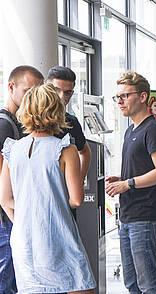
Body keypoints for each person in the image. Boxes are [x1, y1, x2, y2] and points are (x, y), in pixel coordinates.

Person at [0, 83, 95, 293]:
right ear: (57, 111)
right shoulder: (65, 148)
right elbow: (76, 199)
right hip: (58, 234)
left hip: (24, 238)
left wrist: (28, 214)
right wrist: (52, 202)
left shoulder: (12, 149)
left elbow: (5, 199)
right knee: (81, 285)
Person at [105, 71, 156, 294]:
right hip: (128, 215)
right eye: (118, 97)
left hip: (146, 216)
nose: (120, 101)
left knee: (148, 284)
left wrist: (128, 184)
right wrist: (122, 180)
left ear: (143, 97)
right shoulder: (130, 130)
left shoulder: (153, 129)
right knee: (132, 283)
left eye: (125, 96)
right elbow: (144, 168)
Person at [0, 65, 43, 294]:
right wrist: (18, 222)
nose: (33, 98)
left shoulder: (20, 124)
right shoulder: (4, 125)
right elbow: (2, 184)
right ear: (11, 87)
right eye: (28, 91)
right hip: (8, 222)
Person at [47, 66, 91, 181]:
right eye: (57, 90)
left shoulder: (71, 122)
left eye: (67, 92)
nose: (61, 96)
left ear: (72, 93)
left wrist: (78, 181)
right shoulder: (30, 119)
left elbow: (85, 152)